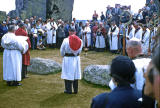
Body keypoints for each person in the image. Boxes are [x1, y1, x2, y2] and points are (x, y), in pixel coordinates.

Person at [60, 28, 83, 94]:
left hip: (68, 58)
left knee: (67, 73)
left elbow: (62, 50)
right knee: (76, 74)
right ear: (75, 32)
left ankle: (68, 90)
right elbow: (80, 50)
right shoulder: (80, 40)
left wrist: (63, 55)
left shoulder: (65, 40)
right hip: (76, 58)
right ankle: (75, 90)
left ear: (69, 32)